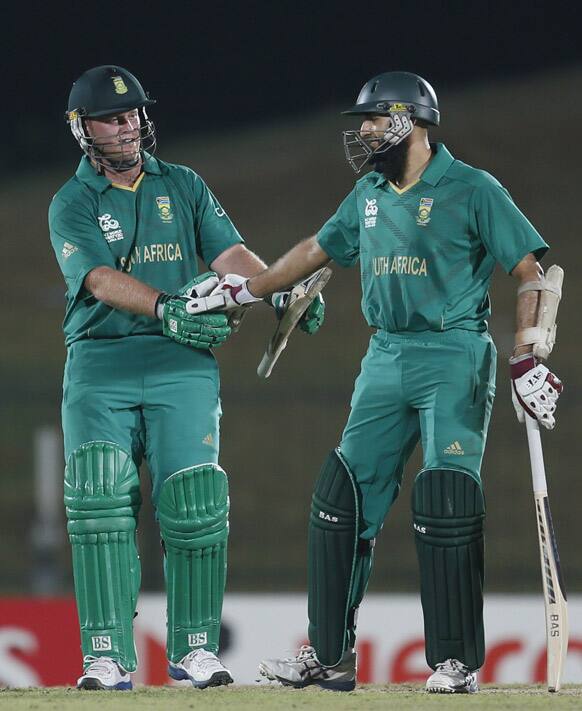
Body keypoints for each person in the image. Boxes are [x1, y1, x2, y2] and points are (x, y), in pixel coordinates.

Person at [209, 71, 563, 694]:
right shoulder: (368, 192)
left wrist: (528, 355)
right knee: (338, 497)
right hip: (385, 356)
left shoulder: (472, 188)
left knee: (446, 500)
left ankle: (455, 662)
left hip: (453, 353)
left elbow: (534, 272)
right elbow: (319, 248)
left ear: (413, 121)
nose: (363, 130)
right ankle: (329, 656)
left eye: (373, 119)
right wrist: (247, 287)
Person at [48, 64, 323, 691]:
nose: (127, 127)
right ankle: (106, 655)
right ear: (83, 129)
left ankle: (196, 647)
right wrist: (167, 307)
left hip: (182, 366)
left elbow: (230, 256)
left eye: (132, 115)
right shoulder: (72, 202)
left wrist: (281, 288)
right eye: (112, 119)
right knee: (100, 501)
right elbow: (96, 279)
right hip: (102, 363)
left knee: (196, 503)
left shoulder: (185, 184)